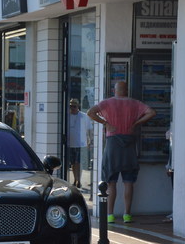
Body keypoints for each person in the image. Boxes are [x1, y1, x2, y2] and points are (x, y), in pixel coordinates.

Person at [87, 81, 156, 223]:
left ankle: (110, 215)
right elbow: (152, 112)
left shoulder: (107, 103)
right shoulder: (135, 103)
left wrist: (106, 123)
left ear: (114, 90)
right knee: (128, 181)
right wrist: (136, 123)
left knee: (111, 181)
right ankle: (127, 214)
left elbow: (90, 112)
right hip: (129, 143)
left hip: (113, 143)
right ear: (127, 90)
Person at [67, 98, 93, 189]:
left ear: (78, 107)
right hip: (70, 143)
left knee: (79, 162)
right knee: (73, 163)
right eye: (71, 106)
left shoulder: (84, 116)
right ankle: (75, 179)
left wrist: (90, 140)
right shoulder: (67, 116)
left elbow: (89, 129)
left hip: (81, 143)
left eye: (74, 106)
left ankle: (78, 180)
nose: (72, 108)